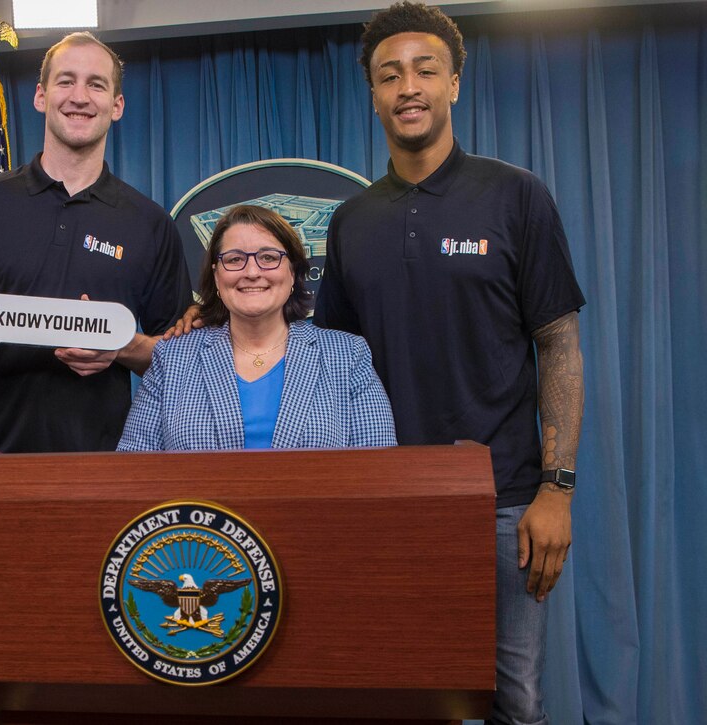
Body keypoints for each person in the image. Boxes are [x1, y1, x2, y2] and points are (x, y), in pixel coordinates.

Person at [313, 3, 586, 723]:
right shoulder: (351, 222)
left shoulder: (515, 195)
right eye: (389, 74)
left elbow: (558, 343)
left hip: (506, 504)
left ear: (454, 84)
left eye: (425, 70)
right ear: (372, 93)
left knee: (516, 702)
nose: (408, 86)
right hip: (387, 503)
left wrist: (556, 490)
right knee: (398, 695)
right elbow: (330, 362)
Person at [0, 32, 192, 453]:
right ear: (40, 96)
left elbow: (180, 357)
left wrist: (121, 346)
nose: (80, 96)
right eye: (66, 81)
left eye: (96, 84)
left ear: (117, 106)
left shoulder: (150, 223)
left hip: (105, 461)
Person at [119, 204, 396, 451]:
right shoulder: (172, 358)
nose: (252, 272)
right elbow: (133, 470)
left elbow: (379, 473)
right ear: (216, 277)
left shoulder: (348, 355)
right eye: (235, 259)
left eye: (268, 257)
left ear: (293, 274)